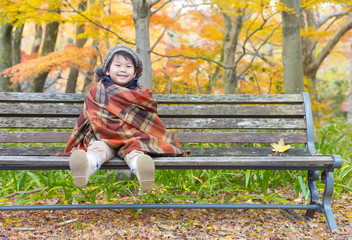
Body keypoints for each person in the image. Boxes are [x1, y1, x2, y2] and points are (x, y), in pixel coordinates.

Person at [64, 44, 185, 191]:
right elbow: (88, 116)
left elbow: (147, 121)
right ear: (107, 70)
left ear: (135, 73)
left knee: (135, 150)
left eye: (128, 66)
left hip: (131, 137)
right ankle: (86, 166)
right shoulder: (97, 92)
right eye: (118, 65)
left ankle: (142, 168)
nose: (123, 69)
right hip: (103, 136)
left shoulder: (140, 95)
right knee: (97, 148)